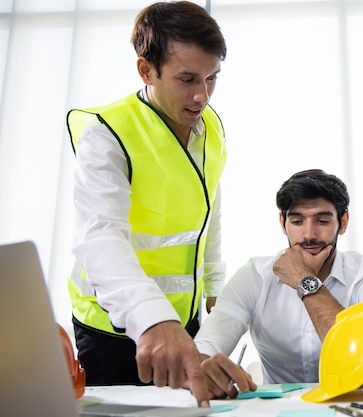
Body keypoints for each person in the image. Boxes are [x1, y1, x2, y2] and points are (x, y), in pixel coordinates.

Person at [66, 1, 227, 406]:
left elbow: (209, 211)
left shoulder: (209, 127)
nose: (201, 95)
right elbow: (100, 236)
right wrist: (153, 319)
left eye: (212, 78)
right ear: (146, 70)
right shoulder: (106, 135)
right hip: (115, 330)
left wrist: (214, 287)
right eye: (187, 78)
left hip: (183, 322)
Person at [193, 169, 363, 399]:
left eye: (322, 221)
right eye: (297, 221)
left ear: (343, 223)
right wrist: (207, 370)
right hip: (277, 410)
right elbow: (204, 348)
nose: (309, 234)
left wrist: (304, 281)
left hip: (352, 405)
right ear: (282, 223)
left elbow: (360, 357)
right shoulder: (253, 276)